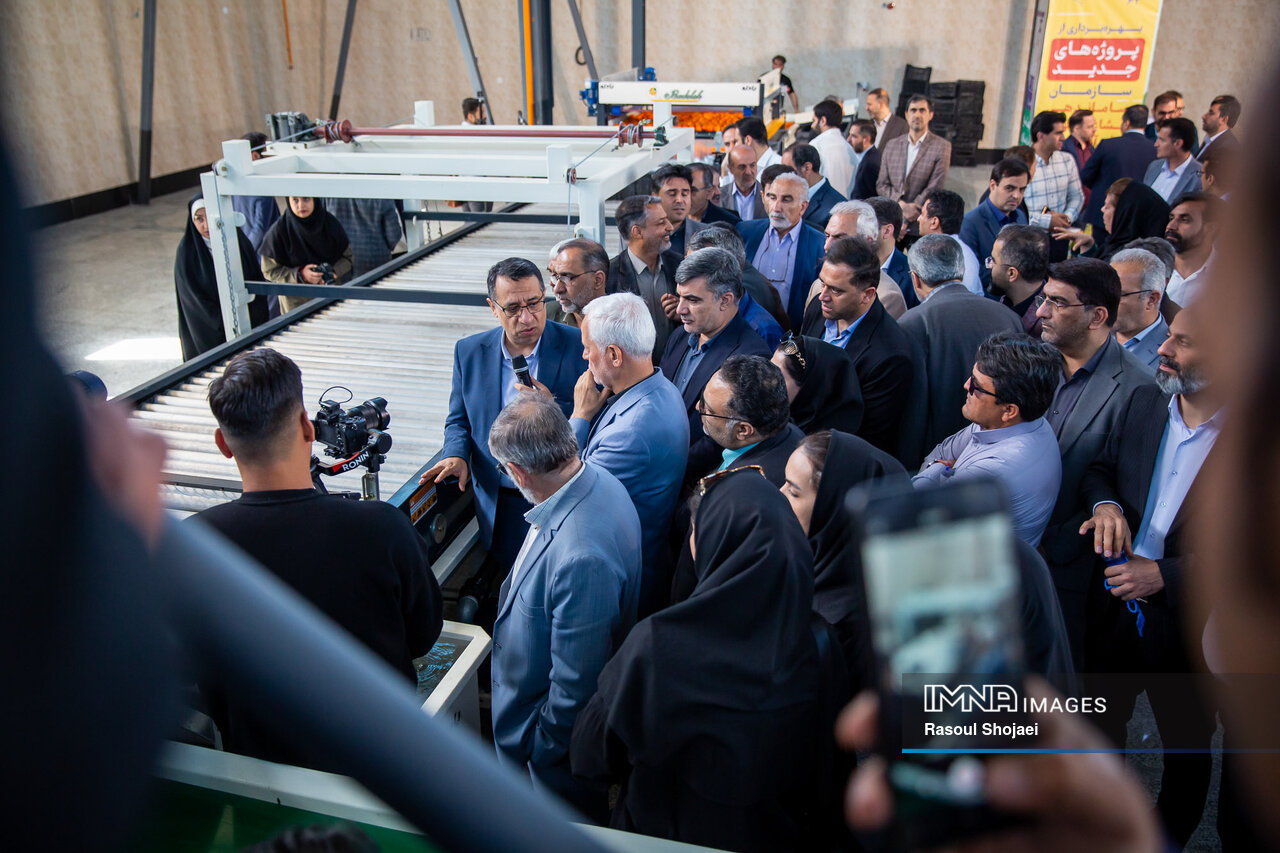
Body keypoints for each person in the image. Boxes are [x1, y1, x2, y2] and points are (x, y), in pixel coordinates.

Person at [193, 348, 443, 766]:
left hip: (262, 774)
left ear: (223, 443)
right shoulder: (382, 529)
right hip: (386, 766)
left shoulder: (191, 546)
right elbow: (423, 635)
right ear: (307, 428)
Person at [570, 468, 832, 852]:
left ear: (716, 540)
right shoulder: (820, 641)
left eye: (696, 528)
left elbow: (589, 758)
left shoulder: (656, 647)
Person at [1077, 306, 1221, 847]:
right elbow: (1100, 470)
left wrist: (1166, 576)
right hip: (1114, 605)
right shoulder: (1146, 403)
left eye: (1183, 342)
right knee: (1098, 725)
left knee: (1186, 746)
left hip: (1189, 625)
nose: (1162, 349)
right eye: (1169, 338)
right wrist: (1107, 505)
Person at [487, 394, 641, 820]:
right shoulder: (599, 481)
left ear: (518, 472)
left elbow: (575, 688)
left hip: (546, 762)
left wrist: (538, 751)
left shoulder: (582, 558)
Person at [421, 258, 587, 618]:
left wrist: (552, 409)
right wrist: (456, 454)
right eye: (513, 308)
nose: (527, 318)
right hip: (498, 502)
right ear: (492, 308)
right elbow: (458, 419)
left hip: (558, 499)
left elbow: (596, 416)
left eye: (534, 303)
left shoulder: (578, 344)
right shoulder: (469, 351)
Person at [1034, 258, 1155, 664]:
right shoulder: (1036, 360)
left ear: (1097, 316)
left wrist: (1052, 546)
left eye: (1057, 302)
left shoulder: (1139, 389)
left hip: (1073, 576)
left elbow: (1126, 492)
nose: (1041, 311)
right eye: (1044, 298)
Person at [567, 292, 688, 613]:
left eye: (588, 347)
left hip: (623, 584)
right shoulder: (664, 388)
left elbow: (569, 493)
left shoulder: (630, 432)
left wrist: (580, 416)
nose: (584, 355)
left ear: (614, 355)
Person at [913, 332, 1064, 546]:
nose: (966, 385)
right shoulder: (1021, 421)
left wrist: (937, 467)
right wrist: (945, 468)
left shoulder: (994, 469)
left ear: (1009, 410)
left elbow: (915, 512)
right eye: (971, 377)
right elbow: (943, 450)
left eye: (976, 386)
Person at [782, 429, 906, 680]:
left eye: (794, 492)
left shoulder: (840, 627)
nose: (779, 494)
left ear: (834, 508)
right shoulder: (813, 562)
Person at [898, 234, 1023, 463]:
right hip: (1002, 450)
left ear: (915, 279)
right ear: (962, 271)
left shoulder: (912, 324)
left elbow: (911, 410)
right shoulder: (1009, 317)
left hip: (937, 457)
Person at [799, 236, 915, 457]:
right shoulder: (819, 308)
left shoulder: (890, 356)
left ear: (867, 295)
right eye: (822, 283)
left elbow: (867, 438)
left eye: (836, 290)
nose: (823, 296)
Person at [659, 247, 770, 458]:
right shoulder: (680, 336)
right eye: (680, 296)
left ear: (725, 300)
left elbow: (723, 438)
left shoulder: (751, 356)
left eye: (692, 300)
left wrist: (674, 467)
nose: (680, 309)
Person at [174, 195, 269, 361]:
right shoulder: (187, 253)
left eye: (209, 217)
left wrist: (249, 317)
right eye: (199, 219)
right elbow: (194, 301)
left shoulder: (238, 241)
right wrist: (225, 323)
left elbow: (255, 281)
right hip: (208, 332)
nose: (205, 225)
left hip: (246, 324)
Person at [690, 354, 804, 485]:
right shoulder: (787, 431)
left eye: (709, 410)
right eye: (703, 398)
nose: (698, 406)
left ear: (743, 430)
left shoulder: (739, 487)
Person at [738, 172, 825, 328]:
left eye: (786, 199)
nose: (776, 207)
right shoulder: (745, 232)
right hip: (745, 329)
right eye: (772, 197)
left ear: (803, 207)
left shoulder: (819, 244)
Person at [605, 195, 682, 360]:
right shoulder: (609, 277)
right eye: (661, 223)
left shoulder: (680, 264)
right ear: (637, 232)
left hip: (677, 366)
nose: (670, 227)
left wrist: (684, 310)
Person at [686, 228, 784, 349]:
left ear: (731, 269)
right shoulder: (688, 320)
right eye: (687, 264)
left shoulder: (762, 331)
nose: (687, 274)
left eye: (700, 268)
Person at [259, 196, 353, 313]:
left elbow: (347, 258)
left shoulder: (329, 224)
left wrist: (332, 272)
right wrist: (299, 274)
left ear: (315, 199)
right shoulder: (279, 232)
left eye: (306, 199)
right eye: (295, 200)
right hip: (296, 306)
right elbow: (269, 271)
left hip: (329, 299)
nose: (301, 205)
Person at [815, 200, 908, 317]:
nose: (827, 246)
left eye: (839, 238)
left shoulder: (886, 297)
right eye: (827, 236)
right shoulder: (817, 287)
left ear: (867, 241)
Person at [1079, 104, 1157, 236]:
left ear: (1126, 123)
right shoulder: (1154, 149)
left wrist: (1102, 187)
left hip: (1103, 214)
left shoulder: (1108, 145)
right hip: (1136, 218)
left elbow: (1086, 175)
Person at [1054, 178, 1171, 262]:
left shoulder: (1132, 261)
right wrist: (1088, 246)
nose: (1102, 210)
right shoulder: (1115, 245)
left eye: (1107, 206)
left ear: (1124, 214)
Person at [875, 95, 951, 224]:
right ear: (906, 114)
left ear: (930, 115)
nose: (917, 115)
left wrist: (912, 210)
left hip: (920, 219)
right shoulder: (892, 145)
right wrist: (901, 205)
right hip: (891, 217)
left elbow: (935, 186)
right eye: (913, 110)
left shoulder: (942, 146)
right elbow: (881, 184)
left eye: (922, 110)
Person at [960, 157, 1030, 291]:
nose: (1016, 195)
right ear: (993, 185)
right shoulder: (971, 222)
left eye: (1022, 190)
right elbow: (972, 272)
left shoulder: (1020, 217)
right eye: (1010, 188)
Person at [771, 334, 864, 435]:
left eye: (778, 378)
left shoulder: (822, 442)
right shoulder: (770, 418)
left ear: (808, 388)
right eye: (768, 369)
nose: (766, 382)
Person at [1025, 110, 1084, 261]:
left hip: (1060, 238)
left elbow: (1077, 196)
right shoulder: (1023, 163)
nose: (1063, 137)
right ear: (1041, 136)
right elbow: (1015, 210)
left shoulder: (1067, 160)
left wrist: (1066, 219)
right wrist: (1046, 221)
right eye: (1058, 133)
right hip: (1029, 239)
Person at [1110, 248, 1169, 372]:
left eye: (1118, 294)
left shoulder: (1172, 354)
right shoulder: (1090, 337)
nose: (1105, 302)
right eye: (1104, 292)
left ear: (1151, 299)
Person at [916, 189, 982, 295]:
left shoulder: (961, 259)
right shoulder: (959, 253)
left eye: (922, 214)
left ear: (934, 222)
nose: (918, 219)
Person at [987, 224, 1049, 335]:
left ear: (1011, 274)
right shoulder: (1007, 301)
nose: (989, 265)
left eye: (993, 261)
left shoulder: (1045, 328)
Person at [1164, 191, 1222, 308]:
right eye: (1171, 218)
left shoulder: (1229, 275)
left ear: (1210, 228)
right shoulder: (1150, 267)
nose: (1171, 226)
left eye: (1184, 220)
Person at [321, 197, 404, 278]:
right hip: (375, 263)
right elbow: (393, 235)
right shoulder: (381, 194)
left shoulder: (328, 194)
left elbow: (321, 227)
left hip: (340, 264)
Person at [230, 131, 281, 253]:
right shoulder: (261, 188)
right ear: (255, 156)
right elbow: (260, 229)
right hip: (261, 253)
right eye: (267, 152)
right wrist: (248, 253)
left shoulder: (234, 184)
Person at [783, 142, 845, 231]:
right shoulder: (785, 196)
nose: (783, 176)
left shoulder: (837, 208)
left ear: (807, 168)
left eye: (788, 170)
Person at [547, 238, 608, 327]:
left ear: (598, 280)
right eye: (555, 276)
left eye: (567, 277)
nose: (557, 289)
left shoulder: (623, 325)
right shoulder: (546, 317)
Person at [867, 196, 915, 310]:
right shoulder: (847, 263)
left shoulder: (912, 277)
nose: (857, 231)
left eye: (865, 226)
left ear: (887, 231)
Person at [1143, 117, 1203, 203]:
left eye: (1162, 140)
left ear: (1178, 143)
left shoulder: (1199, 176)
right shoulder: (1154, 166)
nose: (1156, 144)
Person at [651, 163, 706, 256]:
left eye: (684, 194)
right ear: (655, 197)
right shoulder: (638, 234)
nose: (679, 200)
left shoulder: (705, 234)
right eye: (672, 194)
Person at [808, 99, 857, 198]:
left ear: (823, 120)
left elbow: (809, 179)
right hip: (847, 203)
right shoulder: (849, 148)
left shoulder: (816, 144)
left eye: (814, 120)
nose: (812, 125)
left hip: (823, 202)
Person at [723, 144, 767, 220]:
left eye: (752, 165)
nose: (748, 172)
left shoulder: (768, 196)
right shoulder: (720, 196)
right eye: (742, 167)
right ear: (730, 169)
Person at [1197, 94, 1242, 163]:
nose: (1204, 116)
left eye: (1211, 113)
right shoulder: (1209, 140)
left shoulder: (1227, 150)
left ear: (1223, 119)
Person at [1062, 110, 1096, 197]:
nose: (1094, 130)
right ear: (1076, 129)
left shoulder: (1091, 149)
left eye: (1094, 125)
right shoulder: (1063, 149)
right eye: (1090, 127)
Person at [865, 87, 908, 151]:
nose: (866, 108)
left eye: (869, 104)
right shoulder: (867, 125)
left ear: (881, 104)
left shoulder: (901, 126)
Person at [848, 119, 881, 200]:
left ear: (866, 139)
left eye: (854, 136)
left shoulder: (871, 163)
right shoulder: (867, 157)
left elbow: (872, 197)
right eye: (849, 135)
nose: (848, 139)